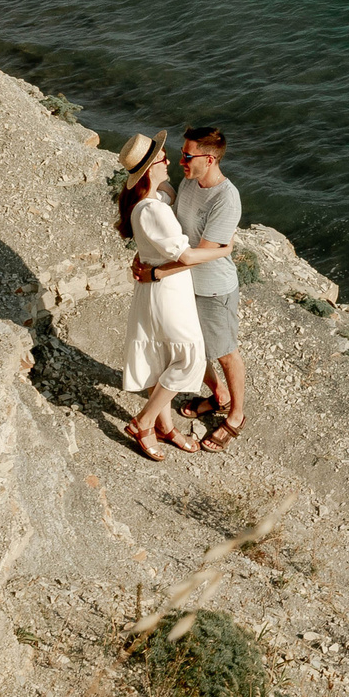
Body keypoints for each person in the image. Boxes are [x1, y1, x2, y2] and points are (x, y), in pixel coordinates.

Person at [135, 125, 246, 452]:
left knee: (225, 352)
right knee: (191, 346)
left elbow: (200, 255)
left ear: (209, 159)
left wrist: (156, 273)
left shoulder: (227, 199)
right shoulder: (189, 181)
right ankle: (219, 395)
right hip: (181, 283)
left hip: (212, 289)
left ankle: (236, 414)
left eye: (187, 155)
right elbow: (174, 225)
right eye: (181, 154)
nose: (182, 160)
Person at [114, 131, 204, 461]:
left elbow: (167, 193)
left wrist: (158, 182)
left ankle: (164, 427)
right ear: (151, 168)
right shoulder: (152, 210)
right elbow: (185, 256)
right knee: (188, 355)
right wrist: (222, 250)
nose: (170, 162)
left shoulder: (151, 201)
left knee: (162, 356)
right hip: (167, 290)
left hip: (156, 287)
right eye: (164, 159)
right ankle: (143, 421)